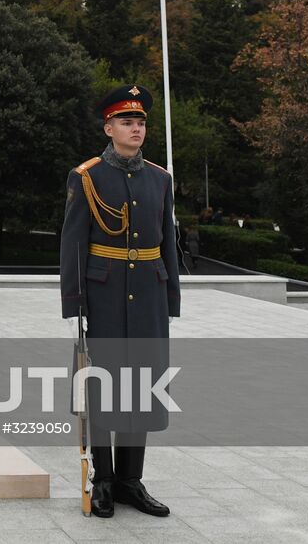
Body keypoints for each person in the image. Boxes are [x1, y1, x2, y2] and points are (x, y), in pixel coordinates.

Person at [60, 85, 179, 519]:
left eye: (141, 122)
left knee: (142, 387)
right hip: (105, 294)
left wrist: (171, 296)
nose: (136, 128)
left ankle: (131, 480)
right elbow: (73, 242)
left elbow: (167, 241)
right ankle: (104, 480)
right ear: (108, 127)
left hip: (148, 292)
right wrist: (75, 302)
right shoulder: (87, 176)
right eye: (127, 122)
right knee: (104, 388)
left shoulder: (160, 178)